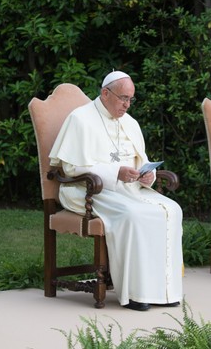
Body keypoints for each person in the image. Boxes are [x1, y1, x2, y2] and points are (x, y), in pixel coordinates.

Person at [49, 71, 183, 311]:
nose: (127, 105)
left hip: (129, 190)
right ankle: (134, 294)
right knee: (133, 216)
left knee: (172, 210)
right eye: (123, 98)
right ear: (105, 93)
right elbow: (69, 168)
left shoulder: (130, 123)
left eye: (131, 99)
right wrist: (114, 173)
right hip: (88, 190)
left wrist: (146, 176)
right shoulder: (80, 119)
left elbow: (138, 161)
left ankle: (163, 291)